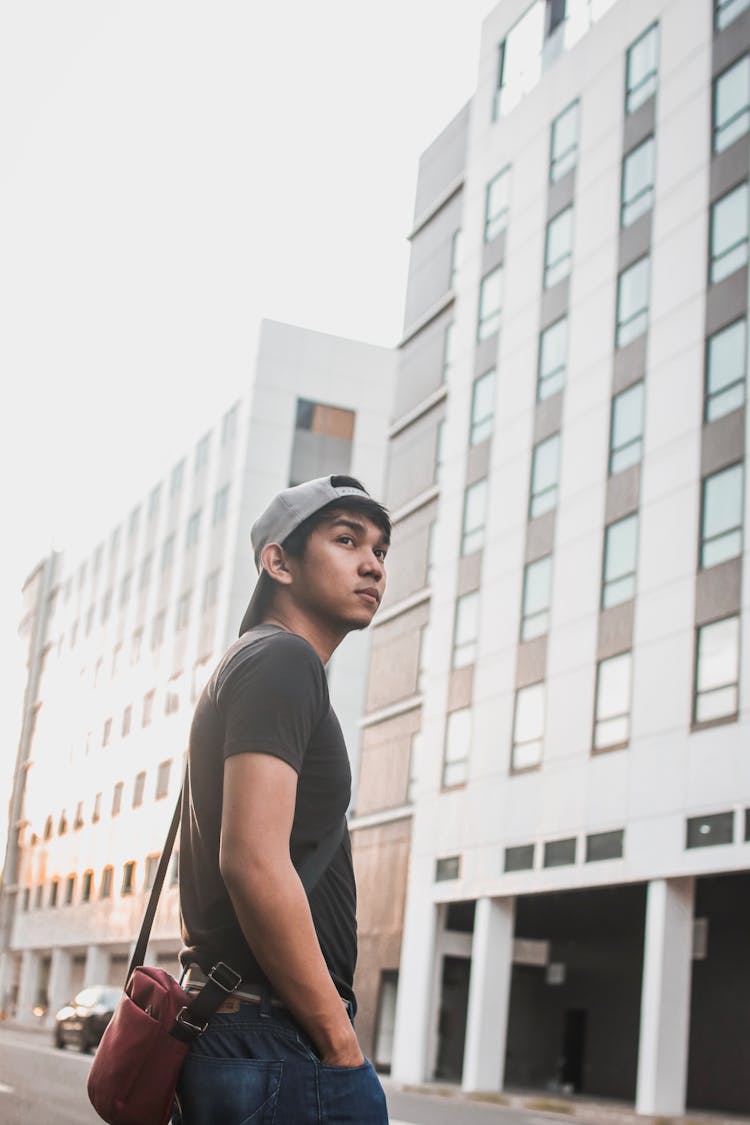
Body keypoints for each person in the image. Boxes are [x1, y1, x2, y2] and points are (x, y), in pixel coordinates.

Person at [174, 474, 391, 1125]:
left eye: (380, 549)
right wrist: (340, 1045)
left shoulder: (254, 661)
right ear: (279, 561)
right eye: (347, 539)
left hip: (245, 1030)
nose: (372, 563)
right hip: (276, 1037)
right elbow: (252, 861)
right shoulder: (283, 660)